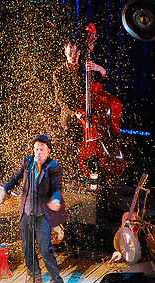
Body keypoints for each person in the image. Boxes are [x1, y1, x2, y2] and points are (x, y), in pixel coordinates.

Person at [0, 134, 68, 283]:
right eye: (36, 149)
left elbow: (57, 187)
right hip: (26, 212)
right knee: (27, 247)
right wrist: (4, 189)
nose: (38, 152)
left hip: (42, 214)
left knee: (45, 250)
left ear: (48, 151)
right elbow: (14, 178)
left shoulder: (53, 166)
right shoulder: (27, 162)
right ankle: (35, 276)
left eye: (41, 150)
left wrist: (56, 199)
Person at [53, 40, 107, 182]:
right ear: (65, 52)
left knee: (94, 150)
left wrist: (99, 68)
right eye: (70, 51)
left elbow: (104, 83)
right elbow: (60, 99)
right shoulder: (58, 73)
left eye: (75, 51)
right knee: (73, 151)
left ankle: (94, 181)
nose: (73, 54)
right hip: (72, 118)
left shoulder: (86, 69)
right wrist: (74, 112)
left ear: (79, 52)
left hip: (88, 115)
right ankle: (73, 182)